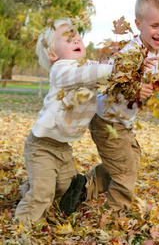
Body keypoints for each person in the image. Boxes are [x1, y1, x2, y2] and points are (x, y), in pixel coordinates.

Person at [59, 0, 159, 219]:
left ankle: (83, 186)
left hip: (121, 123)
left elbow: (146, 73)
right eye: (155, 25)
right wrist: (135, 92)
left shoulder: (150, 50)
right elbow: (115, 83)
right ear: (138, 25)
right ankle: (115, 217)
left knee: (130, 161)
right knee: (125, 173)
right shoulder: (131, 53)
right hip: (108, 123)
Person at [15, 17, 115, 226]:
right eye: (67, 39)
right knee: (43, 194)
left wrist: (121, 66)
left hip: (63, 148)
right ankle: (22, 227)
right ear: (53, 54)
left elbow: (100, 72)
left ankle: (29, 187)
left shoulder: (89, 67)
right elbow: (86, 73)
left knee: (63, 187)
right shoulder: (61, 70)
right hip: (41, 147)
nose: (76, 39)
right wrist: (110, 68)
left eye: (77, 35)